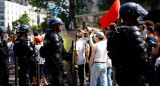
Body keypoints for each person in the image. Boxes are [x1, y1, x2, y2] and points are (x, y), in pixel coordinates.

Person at [107, 2, 154, 86]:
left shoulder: (114, 32)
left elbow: (111, 54)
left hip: (120, 75)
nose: (139, 17)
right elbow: (143, 59)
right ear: (132, 15)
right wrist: (152, 79)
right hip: (134, 76)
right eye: (138, 14)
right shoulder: (133, 30)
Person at [40, 17, 67, 86]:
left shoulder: (48, 35)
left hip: (50, 64)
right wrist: (62, 67)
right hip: (56, 66)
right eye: (60, 25)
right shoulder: (54, 36)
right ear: (55, 26)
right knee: (58, 82)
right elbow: (55, 54)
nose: (62, 26)